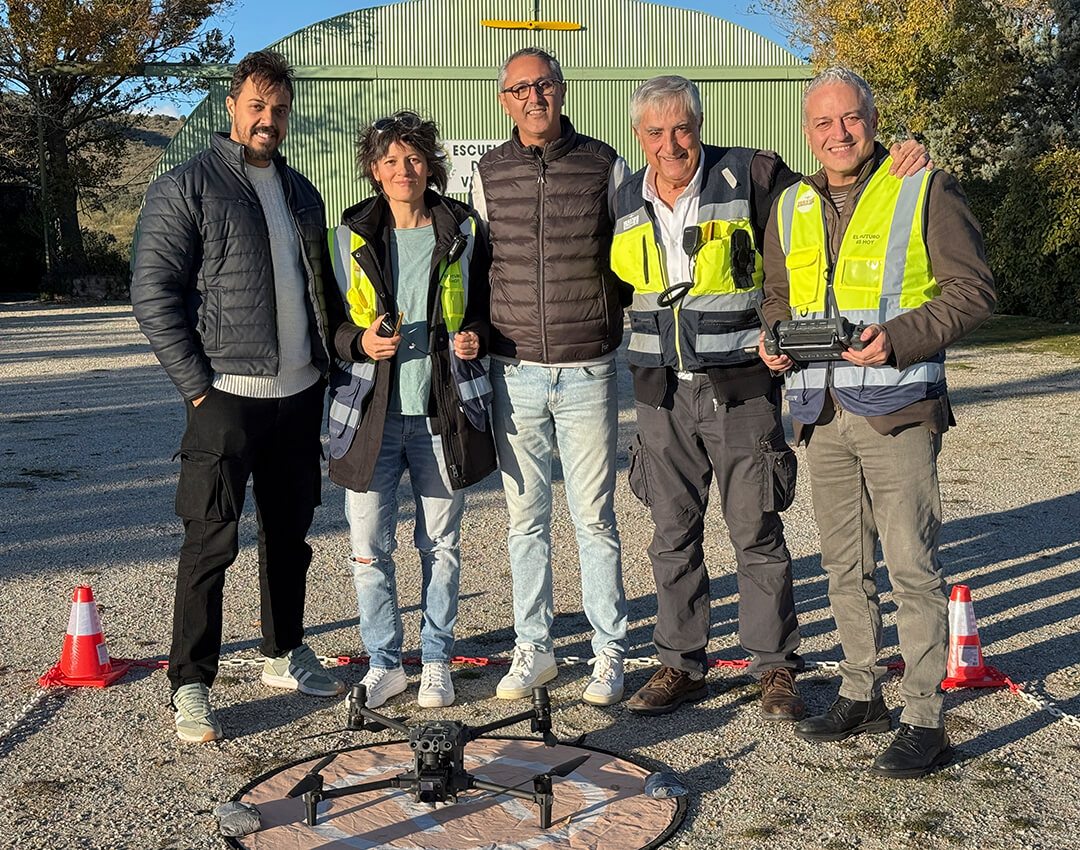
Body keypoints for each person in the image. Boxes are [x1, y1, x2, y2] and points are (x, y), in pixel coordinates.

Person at [610, 75, 930, 719]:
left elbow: (832, 200)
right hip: (659, 388)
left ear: (699, 126)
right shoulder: (620, 195)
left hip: (742, 387)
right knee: (671, 534)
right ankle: (680, 664)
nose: (670, 144)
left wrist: (903, 156)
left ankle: (775, 666)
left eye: (681, 128)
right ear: (638, 137)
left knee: (755, 528)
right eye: (654, 132)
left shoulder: (752, 175)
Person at [759, 67, 995, 777]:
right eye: (823, 123)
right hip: (818, 409)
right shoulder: (792, 203)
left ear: (872, 118)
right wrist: (773, 339)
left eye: (850, 118)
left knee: (912, 569)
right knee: (843, 565)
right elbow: (776, 294)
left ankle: (925, 716)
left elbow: (974, 290)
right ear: (807, 132)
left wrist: (900, 336)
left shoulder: (923, 186)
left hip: (899, 407)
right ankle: (863, 690)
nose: (838, 133)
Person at [131, 50, 342, 744]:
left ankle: (283, 653)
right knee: (209, 541)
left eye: (279, 110)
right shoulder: (188, 186)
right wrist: (197, 388)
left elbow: (322, 294)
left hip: (297, 395)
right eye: (257, 106)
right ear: (231, 106)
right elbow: (154, 292)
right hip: (226, 396)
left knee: (289, 538)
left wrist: (336, 356)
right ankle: (190, 682)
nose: (268, 120)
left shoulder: (303, 191)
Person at [470, 47, 631, 705]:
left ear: (562, 90)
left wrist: (608, 319)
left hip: (587, 367)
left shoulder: (604, 163)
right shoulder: (487, 171)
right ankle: (533, 648)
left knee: (594, 518)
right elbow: (477, 263)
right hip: (515, 372)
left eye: (544, 84)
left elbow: (632, 254)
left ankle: (609, 652)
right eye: (520, 88)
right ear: (504, 101)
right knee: (524, 519)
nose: (534, 96)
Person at [325, 112, 496, 710]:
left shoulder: (464, 230)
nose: (404, 170)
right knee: (369, 548)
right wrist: (359, 343)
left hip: (439, 415)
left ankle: (437, 661)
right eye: (392, 161)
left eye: (415, 158)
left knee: (441, 546)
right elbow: (331, 326)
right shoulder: (347, 236)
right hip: (369, 415)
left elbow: (484, 309)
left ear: (432, 166)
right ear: (375, 171)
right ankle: (384, 662)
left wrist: (474, 335)